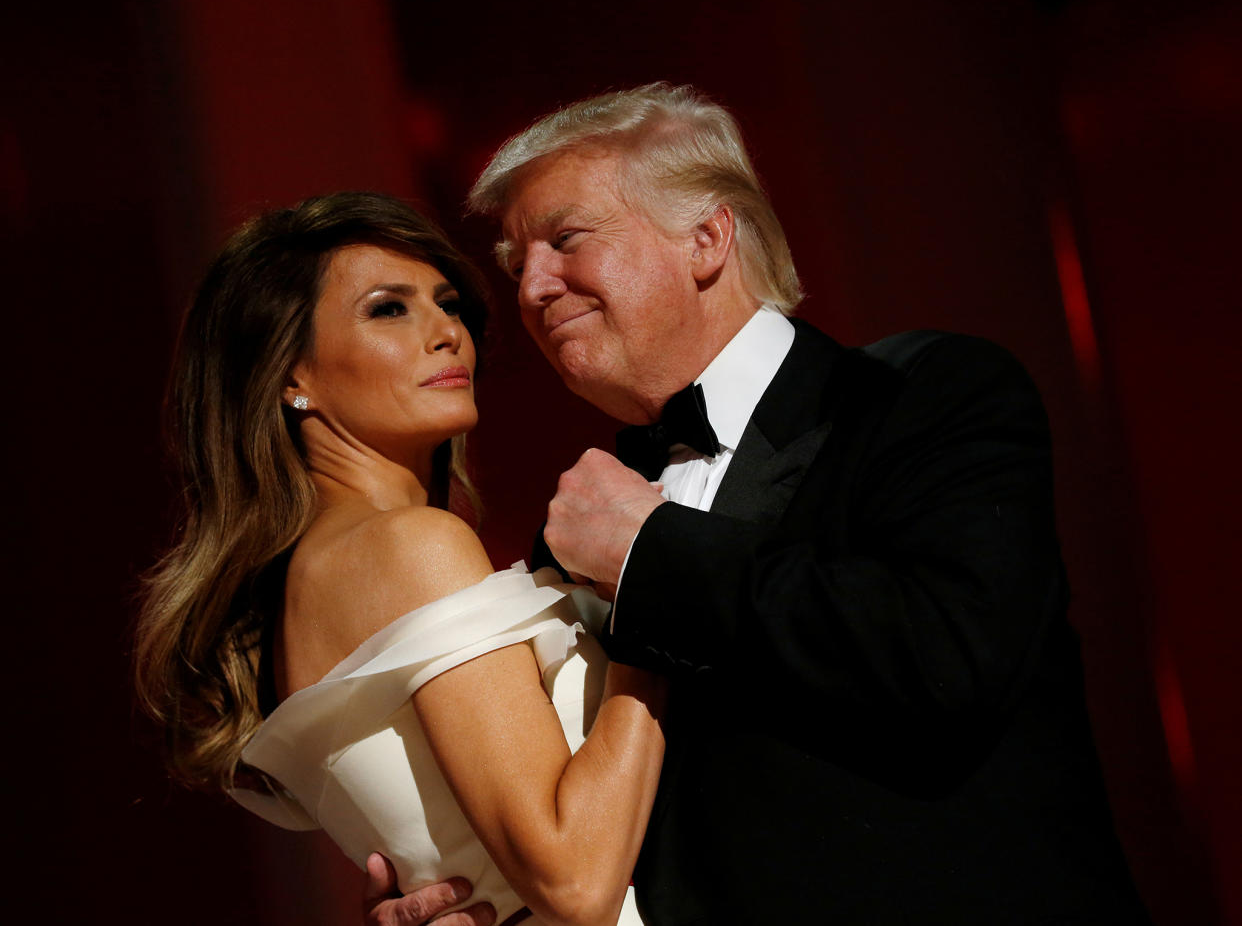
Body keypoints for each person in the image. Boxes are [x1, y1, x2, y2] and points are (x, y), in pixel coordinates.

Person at [371, 84, 1151, 924]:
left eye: (565, 240)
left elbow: (945, 656)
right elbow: (587, 830)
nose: (532, 289)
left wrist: (650, 554)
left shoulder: (925, 395)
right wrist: (477, 900)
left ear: (707, 236)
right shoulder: (584, 518)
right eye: (518, 264)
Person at [133, 191, 664, 926]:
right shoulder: (410, 546)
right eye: (389, 309)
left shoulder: (317, 573)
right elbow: (573, 883)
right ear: (292, 376)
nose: (446, 332)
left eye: (447, 304)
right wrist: (657, 609)